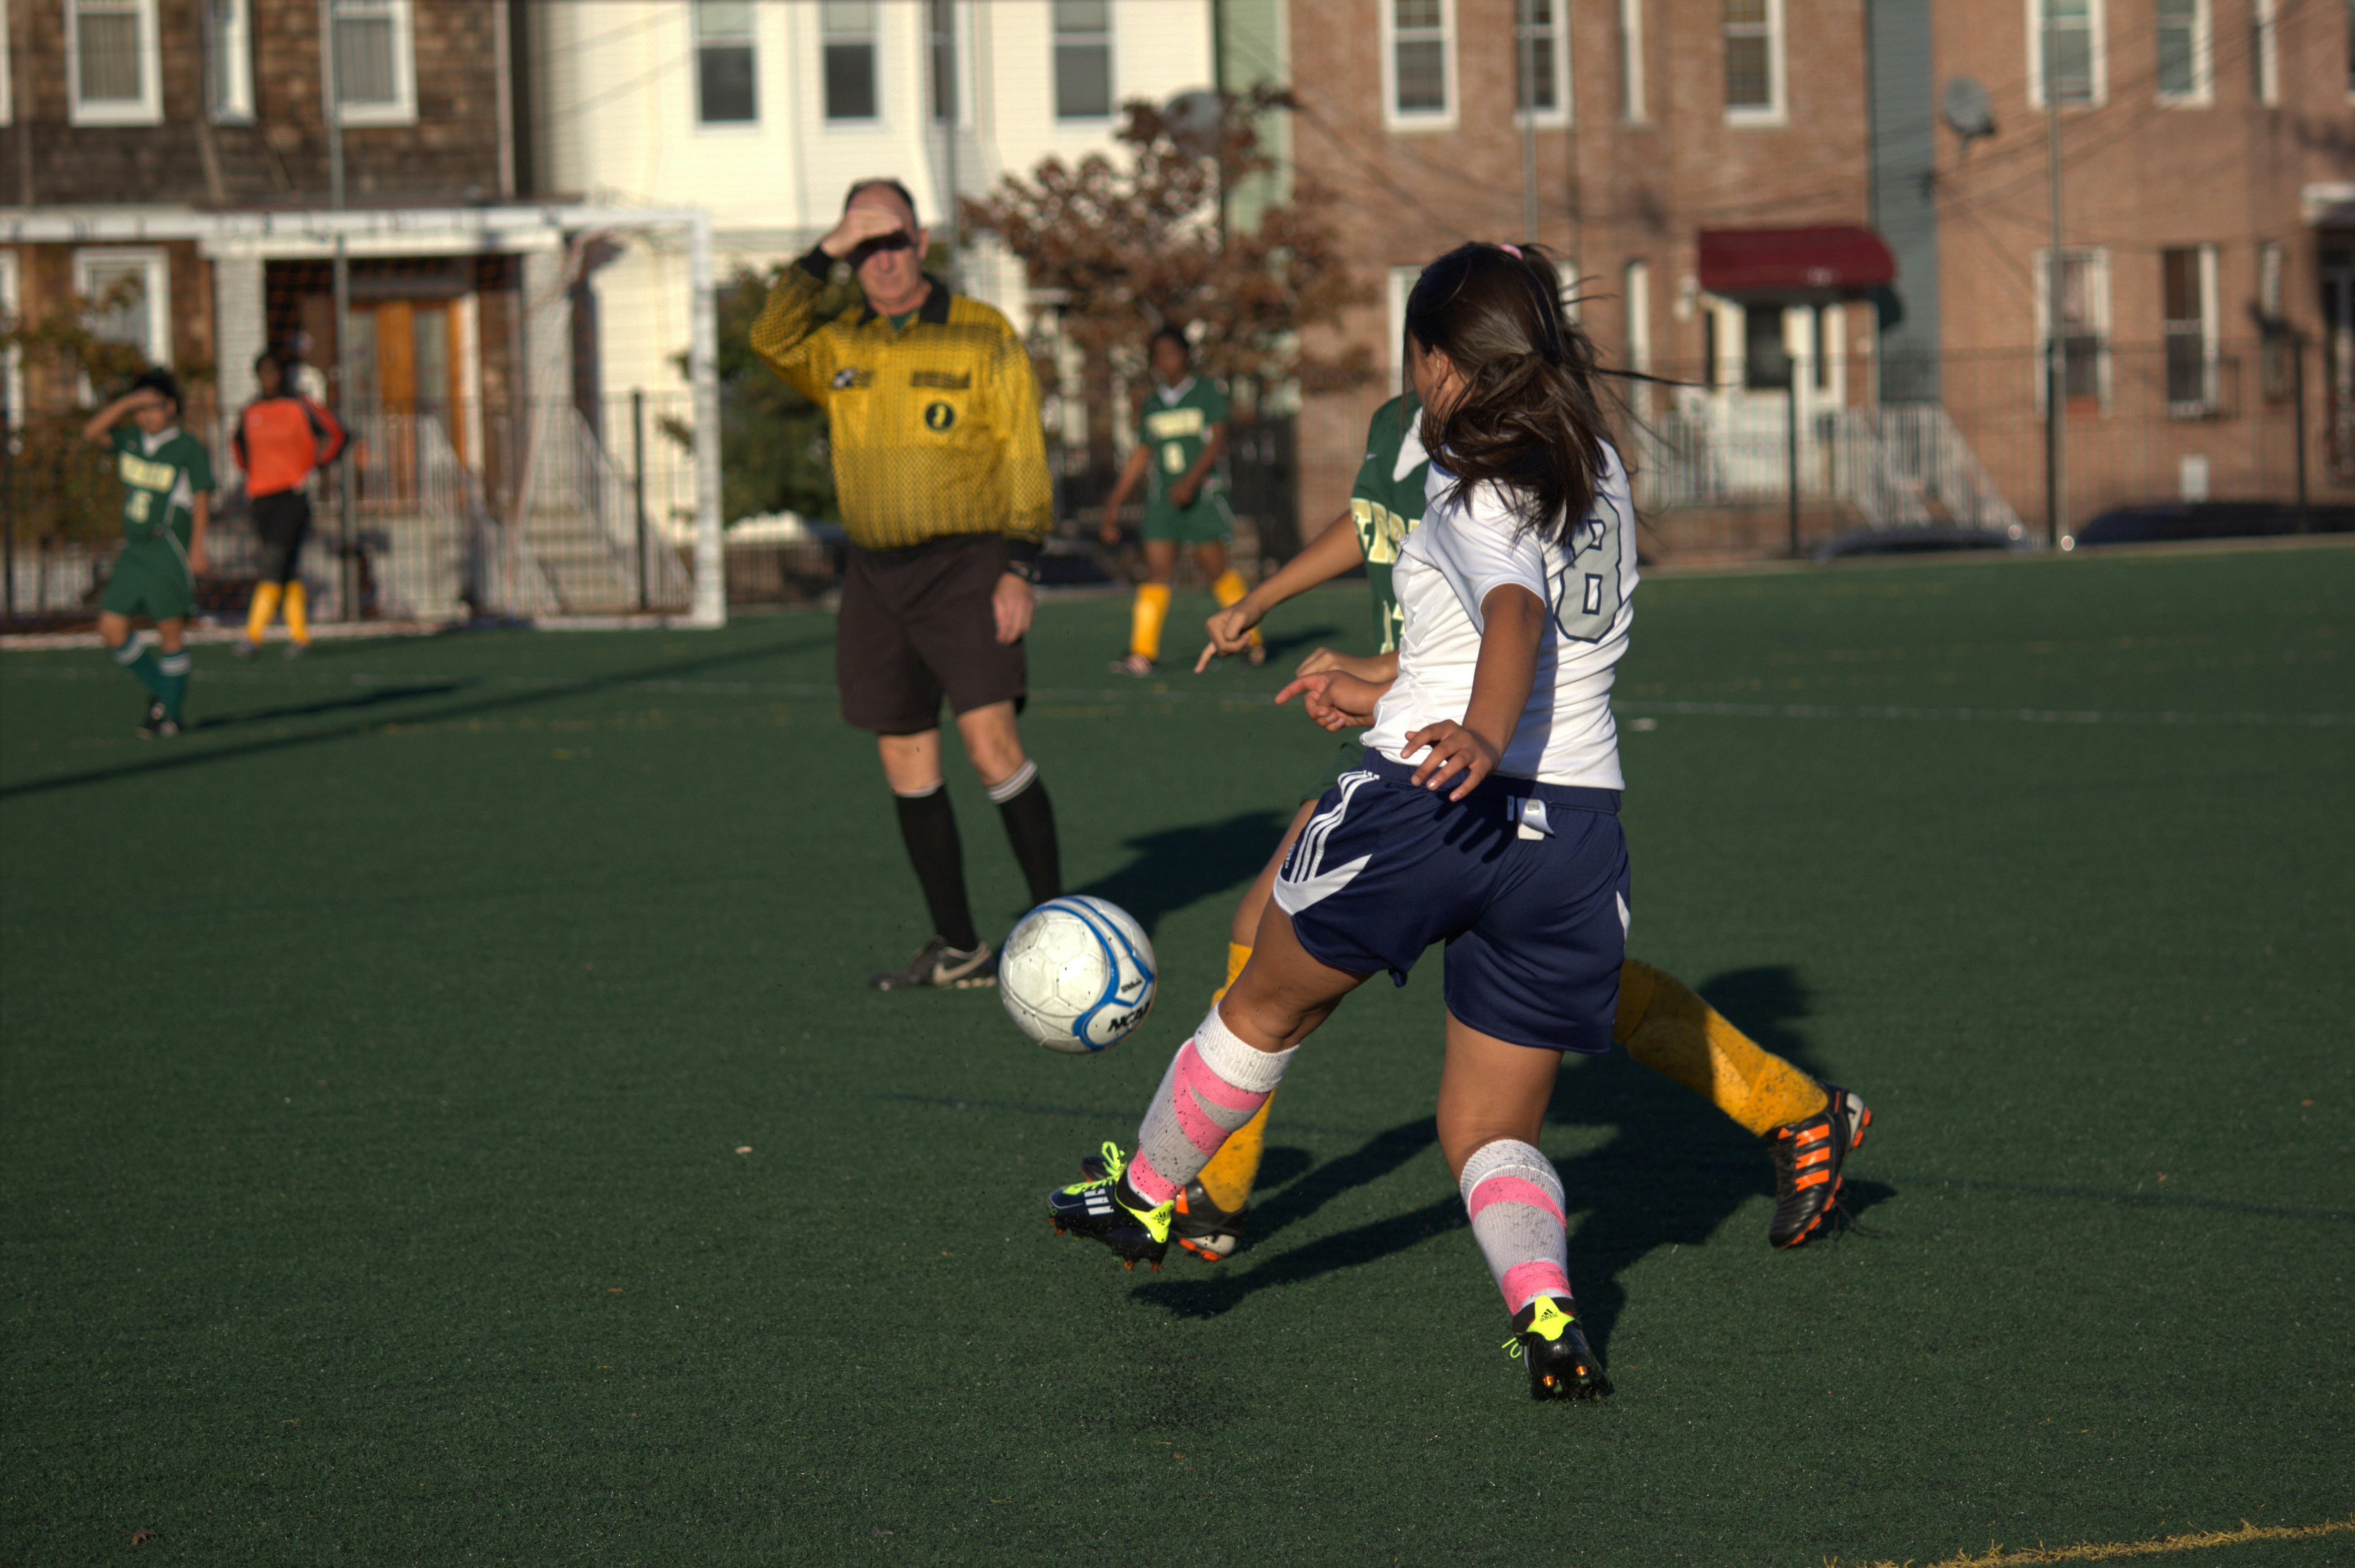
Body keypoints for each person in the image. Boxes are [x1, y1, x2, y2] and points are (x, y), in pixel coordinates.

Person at [1054, 243, 1698, 1400]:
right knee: (1489, 1129)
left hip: (1433, 806)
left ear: (1441, 362)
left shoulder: (1471, 480)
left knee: (1261, 994)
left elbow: (1508, 619)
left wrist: (1476, 735)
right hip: (1577, 837)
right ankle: (1548, 1310)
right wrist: (1392, 686)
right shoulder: (1593, 466)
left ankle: (1147, 1193)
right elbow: (1509, 633)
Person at [1144, 388, 1868, 1263]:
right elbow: (1374, 525)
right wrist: (1270, 600)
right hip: (1425, 735)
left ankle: (1198, 1189)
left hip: (1480, 751)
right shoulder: (1401, 425)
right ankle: (1207, 1189)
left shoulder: (1499, 450)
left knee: (1542, 986)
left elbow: (1513, 621)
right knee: (1279, 928)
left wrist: (1385, 683)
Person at [751, 177, 1063, 991]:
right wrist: (823, 251)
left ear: (922, 243)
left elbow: (1023, 451)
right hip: (875, 577)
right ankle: (958, 945)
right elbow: (770, 336)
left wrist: (1018, 565)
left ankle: (1060, 930)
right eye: (862, 246)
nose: (879, 259)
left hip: (967, 565)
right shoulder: (840, 340)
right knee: (906, 760)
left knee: (992, 748)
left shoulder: (982, 334)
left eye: (892, 239)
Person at [1096, 326, 1261, 676]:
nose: (1166, 361)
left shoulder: (1206, 392)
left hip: (1200, 497)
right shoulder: (1153, 402)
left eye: (1172, 353)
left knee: (1216, 570)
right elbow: (1142, 453)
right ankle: (1143, 652)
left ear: (1186, 355)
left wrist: (1191, 481)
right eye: (1159, 356)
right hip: (1163, 500)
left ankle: (1251, 638)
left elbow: (1217, 441)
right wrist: (1114, 504)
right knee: (1156, 573)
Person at [84, 369, 213, 738]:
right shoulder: (131, 440)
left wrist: (198, 546)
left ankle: (170, 714)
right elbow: (91, 433)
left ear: (171, 407)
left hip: (167, 547)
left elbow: (202, 496)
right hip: (135, 549)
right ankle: (163, 694)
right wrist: (127, 402)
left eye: (154, 407)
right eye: (142, 410)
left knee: (169, 632)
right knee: (111, 628)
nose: (147, 416)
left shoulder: (186, 447)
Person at [231, 351, 346, 659]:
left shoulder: (301, 406)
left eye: (273, 371)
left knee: (273, 561)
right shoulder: (251, 410)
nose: (268, 377)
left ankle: (252, 635)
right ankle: (300, 636)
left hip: (292, 496)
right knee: (287, 568)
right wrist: (255, 474)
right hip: (261, 496)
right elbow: (239, 448)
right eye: (263, 372)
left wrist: (314, 465)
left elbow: (335, 434)